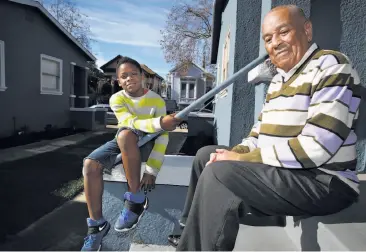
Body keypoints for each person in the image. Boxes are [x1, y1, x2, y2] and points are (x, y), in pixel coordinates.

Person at [171, 5, 361, 251]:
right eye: (268, 39)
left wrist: (241, 159)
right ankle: (189, 231)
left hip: (325, 181)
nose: (275, 43)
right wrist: (233, 153)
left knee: (220, 173)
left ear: (307, 30)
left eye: (283, 32)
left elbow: (317, 147)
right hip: (288, 172)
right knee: (206, 156)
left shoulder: (332, 66)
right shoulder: (279, 80)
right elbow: (257, 136)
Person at [81, 56, 181, 251]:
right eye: (123, 76)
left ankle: (136, 200)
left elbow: (162, 138)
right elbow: (130, 123)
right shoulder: (116, 99)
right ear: (118, 81)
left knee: (126, 136)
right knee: (90, 165)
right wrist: (160, 123)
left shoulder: (156, 100)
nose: (129, 79)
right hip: (124, 138)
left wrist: (152, 169)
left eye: (133, 74)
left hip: (148, 141)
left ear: (142, 76)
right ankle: (97, 226)